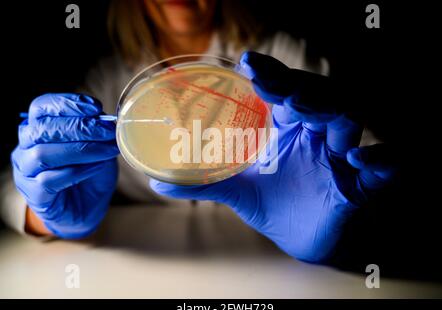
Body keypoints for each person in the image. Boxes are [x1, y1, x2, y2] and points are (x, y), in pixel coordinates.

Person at [1, 0, 383, 262]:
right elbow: (15, 182)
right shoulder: (106, 79)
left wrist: (354, 229)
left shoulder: (284, 56)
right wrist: (47, 215)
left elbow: (368, 163)